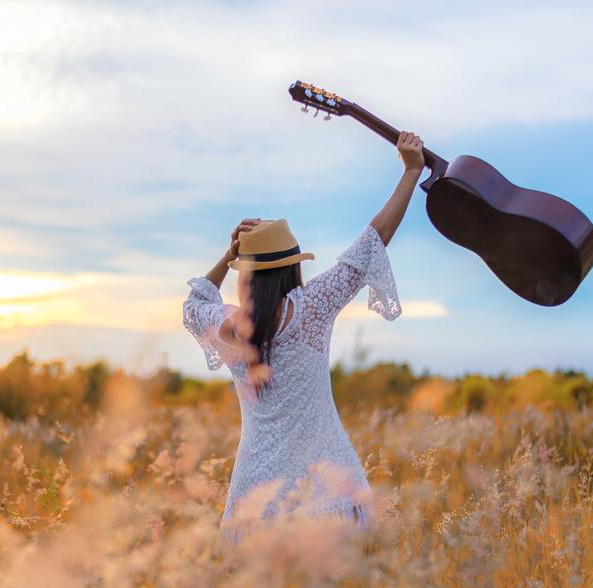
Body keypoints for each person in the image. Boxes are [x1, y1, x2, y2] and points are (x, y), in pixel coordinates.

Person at [182, 131, 426, 547]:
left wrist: (229, 254)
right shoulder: (311, 306)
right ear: (292, 268)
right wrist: (411, 171)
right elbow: (373, 241)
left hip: (255, 501)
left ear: (246, 276)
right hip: (325, 496)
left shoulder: (228, 326)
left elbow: (193, 303)